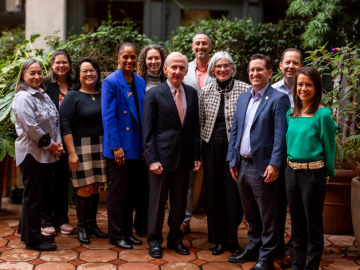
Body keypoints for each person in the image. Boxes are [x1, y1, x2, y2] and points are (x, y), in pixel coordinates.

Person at [227, 54, 290, 270]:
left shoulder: (278, 99)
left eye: (260, 70)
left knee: (268, 214)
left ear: (270, 73)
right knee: (250, 213)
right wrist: (232, 159)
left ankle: (267, 257)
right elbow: (235, 130)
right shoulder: (244, 98)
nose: (255, 73)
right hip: (242, 165)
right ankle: (253, 247)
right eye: (252, 70)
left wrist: (275, 164)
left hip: (263, 167)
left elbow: (281, 135)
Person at [143, 52, 201, 259]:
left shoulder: (193, 94)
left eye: (181, 68)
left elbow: (194, 129)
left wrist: (196, 155)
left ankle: (176, 238)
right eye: (173, 67)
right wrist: (152, 159)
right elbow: (147, 131)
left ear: (186, 71)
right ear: (165, 69)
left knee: (179, 202)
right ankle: (154, 241)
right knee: (157, 202)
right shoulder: (153, 94)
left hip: (184, 159)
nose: (177, 71)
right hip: (160, 158)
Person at [286, 66, 336, 270]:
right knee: (296, 223)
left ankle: (312, 265)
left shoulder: (322, 114)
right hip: (291, 173)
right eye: (300, 84)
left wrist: (326, 174)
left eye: (308, 84)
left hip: (313, 174)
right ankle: (298, 264)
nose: (303, 88)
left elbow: (329, 146)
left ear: (317, 87)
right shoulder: (292, 113)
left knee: (312, 223)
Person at [13, 59, 64, 251]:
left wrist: (57, 142)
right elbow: (31, 128)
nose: (36, 76)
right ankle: (33, 240)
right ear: (23, 76)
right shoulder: (23, 97)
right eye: (31, 73)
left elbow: (55, 120)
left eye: (39, 72)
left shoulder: (42, 94)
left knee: (37, 196)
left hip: (46, 151)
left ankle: (28, 232)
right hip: (31, 154)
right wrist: (52, 146)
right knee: (33, 197)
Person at [200, 51, 249, 255]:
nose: (222, 69)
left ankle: (233, 238)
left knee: (234, 194)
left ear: (232, 68)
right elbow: (200, 121)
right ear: (212, 69)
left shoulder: (244, 89)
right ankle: (219, 239)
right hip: (210, 148)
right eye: (218, 66)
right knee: (214, 193)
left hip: (234, 149)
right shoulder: (205, 90)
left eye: (226, 65)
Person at [102, 43, 146, 249]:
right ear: (118, 57)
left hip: (137, 147)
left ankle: (128, 232)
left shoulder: (139, 81)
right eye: (125, 56)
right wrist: (115, 147)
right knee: (118, 194)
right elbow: (108, 118)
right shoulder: (111, 82)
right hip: (120, 147)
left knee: (132, 193)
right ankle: (116, 234)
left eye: (133, 57)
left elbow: (143, 116)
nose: (130, 60)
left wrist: (145, 146)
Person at [60, 57, 108, 244]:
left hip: (102, 145)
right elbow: (65, 125)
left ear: (97, 72)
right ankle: (81, 226)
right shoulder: (72, 96)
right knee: (85, 187)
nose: (89, 73)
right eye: (85, 71)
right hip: (81, 147)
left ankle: (92, 224)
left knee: (96, 185)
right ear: (78, 75)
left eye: (92, 70)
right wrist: (72, 153)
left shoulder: (104, 93)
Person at [181, 31, 215, 234]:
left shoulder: (218, 67)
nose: (201, 46)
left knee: (211, 177)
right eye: (197, 44)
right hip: (189, 131)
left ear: (210, 47)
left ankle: (217, 221)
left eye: (204, 43)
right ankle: (184, 219)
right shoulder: (185, 69)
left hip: (213, 131)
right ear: (192, 47)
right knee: (188, 179)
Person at [272, 48, 303, 267]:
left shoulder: (307, 90)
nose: (291, 66)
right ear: (281, 65)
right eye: (287, 62)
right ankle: (276, 245)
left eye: (296, 62)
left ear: (301, 66)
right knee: (277, 203)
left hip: (300, 157)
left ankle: (295, 246)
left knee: (298, 205)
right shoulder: (272, 91)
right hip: (277, 156)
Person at [132, 44, 167, 237]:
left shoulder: (169, 82)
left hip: (161, 140)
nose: (153, 62)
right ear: (144, 61)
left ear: (163, 61)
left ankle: (156, 225)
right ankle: (140, 224)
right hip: (140, 140)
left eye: (157, 58)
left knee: (158, 187)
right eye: (149, 58)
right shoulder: (137, 82)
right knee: (142, 186)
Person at [41, 49, 74, 237]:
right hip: (48, 142)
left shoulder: (74, 84)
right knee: (46, 180)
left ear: (69, 64)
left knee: (62, 181)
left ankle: (62, 218)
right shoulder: (45, 83)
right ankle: (46, 219)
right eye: (58, 62)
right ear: (52, 64)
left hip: (67, 141)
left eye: (65, 62)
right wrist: (50, 142)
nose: (61, 65)